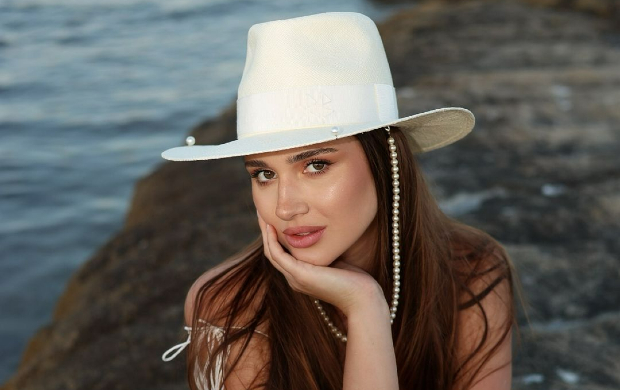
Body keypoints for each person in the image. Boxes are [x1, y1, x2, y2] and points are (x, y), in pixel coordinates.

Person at [160, 11, 519, 390]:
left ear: (386, 161)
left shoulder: (471, 271)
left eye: (316, 165)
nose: (285, 207)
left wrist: (364, 309)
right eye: (264, 174)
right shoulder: (228, 304)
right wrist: (365, 306)